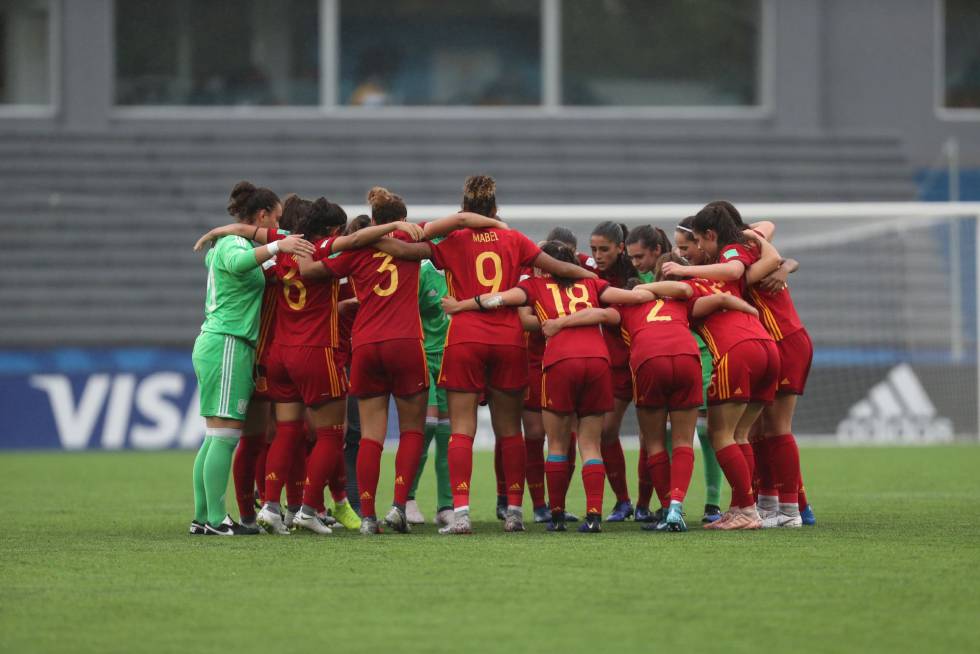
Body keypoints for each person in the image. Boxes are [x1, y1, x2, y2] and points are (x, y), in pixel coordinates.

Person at [374, 175, 597, 534]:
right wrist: (593, 281)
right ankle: (514, 512)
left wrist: (371, 236)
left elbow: (404, 250)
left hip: (465, 337)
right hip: (508, 339)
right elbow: (560, 269)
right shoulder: (515, 239)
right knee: (510, 431)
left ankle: (461, 514)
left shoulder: (453, 240)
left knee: (462, 430)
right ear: (495, 209)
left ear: (464, 208)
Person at [442, 240, 655, 532]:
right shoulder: (593, 285)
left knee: (555, 443)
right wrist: (669, 289)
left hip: (560, 361)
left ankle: (555, 515)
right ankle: (594, 516)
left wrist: (461, 305)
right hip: (597, 361)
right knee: (589, 443)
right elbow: (634, 297)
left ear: (546, 267)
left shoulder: (535, 286)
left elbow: (497, 299)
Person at [189, 181, 314, 536]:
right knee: (225, 436)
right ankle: (215, 520)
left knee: (215, 436)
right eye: (275, 218)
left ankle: (203, 518)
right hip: (228, 343)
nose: (278, 225)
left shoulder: (233, 239)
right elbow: (238, 262)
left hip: (222, 343)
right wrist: (275, 245)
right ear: (262, 216)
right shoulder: (233, 245)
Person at [617, 254, 759, 532]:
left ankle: (666, 509)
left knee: (655, 442)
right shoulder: (685, 301)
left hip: (649, 361)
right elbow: (720, 298)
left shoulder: (628, 304)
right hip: (688, 358)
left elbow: (601, 313)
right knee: (687, 440)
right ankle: (678, 506)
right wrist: (750, 310)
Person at [663, 203, 782, 529]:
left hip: (736, 352)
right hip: (767, 348)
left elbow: (668, 290)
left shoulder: (686, 290)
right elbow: (772, 258)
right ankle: (740, 507)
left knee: (721, 434)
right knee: (740, 434)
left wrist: (666, 278)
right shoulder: (733, 279)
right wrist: (750, 236)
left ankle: (748, 511)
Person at [588, 222, 649, 522]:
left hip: (646, 361)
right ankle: (623, 501)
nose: (598, 255)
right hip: (616, 366)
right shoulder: (591, 276)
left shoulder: (639, 274)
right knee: (605, 432)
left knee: (650, 437)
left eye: (604, 249)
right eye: (593, 249)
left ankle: (645, 505)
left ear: (620, 247)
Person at [673, 216, 726, 523]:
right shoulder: (676, 270)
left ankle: (713, 503)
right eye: (678, 248)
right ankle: (670, 502)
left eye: (685, 247)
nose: (681, 254)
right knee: (673, 432)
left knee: (709, 432)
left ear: (702, 241)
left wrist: (785, 267)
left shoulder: (722, 268)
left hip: (710, 355)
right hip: (681, 355)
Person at [405, 252, 454, 528]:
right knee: (428, 425)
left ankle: (446, 506)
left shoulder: (463, 268)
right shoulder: (423, 271)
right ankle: (407, 498)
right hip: (423, 354)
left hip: (452, 356)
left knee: (448, 433)